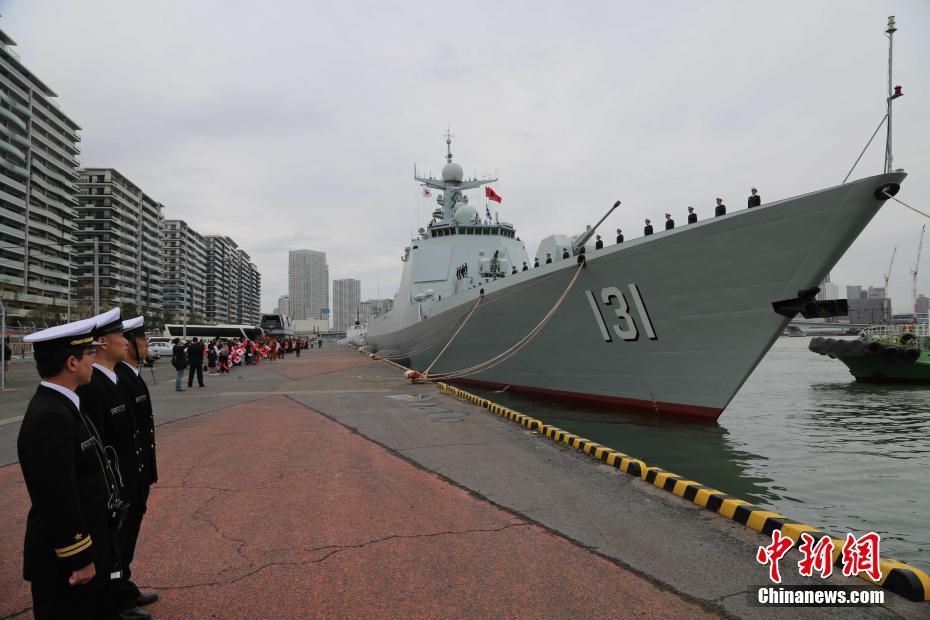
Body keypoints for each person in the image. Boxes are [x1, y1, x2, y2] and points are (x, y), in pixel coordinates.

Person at [18, 317, 121, 619]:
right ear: (72, 363)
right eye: (89, 353)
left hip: (89, 544)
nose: (93, 359)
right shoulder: (50, 416)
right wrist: (79, 557)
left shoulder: (64, 406)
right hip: (65, 561)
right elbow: (56, 496)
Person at [77, 308, 155, 620]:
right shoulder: (96, 386)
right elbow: (99, 444)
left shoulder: (118, 379)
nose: (127, 342)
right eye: (121, 336)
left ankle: (121, 587)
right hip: (118, 482)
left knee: (124, 540)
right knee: (114, 543)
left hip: (131, 475)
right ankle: (113, 598)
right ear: (102, 343)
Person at [113, 317, 159, 616]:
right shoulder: (119, 378)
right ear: (129, 344)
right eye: (144, 340)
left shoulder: (132, 374)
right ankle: (117, 598)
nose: (148, 345)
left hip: (139, 469)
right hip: (127, 473)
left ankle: (124, 587)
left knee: (128, 534)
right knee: (119, 537)